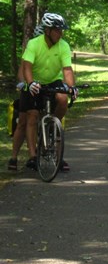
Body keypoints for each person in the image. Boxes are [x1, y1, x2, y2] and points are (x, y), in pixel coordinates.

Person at [20, 12, 78, 171]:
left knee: (62, 98)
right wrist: (30, 83)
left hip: (53, 79)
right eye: (57, 30)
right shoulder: (34, 43)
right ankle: (33, 156)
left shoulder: (63, 45)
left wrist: (72, 87)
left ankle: (53, 125)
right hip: (34, 80)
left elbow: (67, 69)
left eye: (61, 31)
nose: (61, 33)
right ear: (47, 30)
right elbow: (27, 66)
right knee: (31, 116)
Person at [7, 24, 44, 171]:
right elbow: (21, 72)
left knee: (38, 119)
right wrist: (24, 83)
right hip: (29, 90)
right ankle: (14, 157)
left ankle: (40, 155)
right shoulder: (31, 49)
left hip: (44, 89)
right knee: (23, 121)